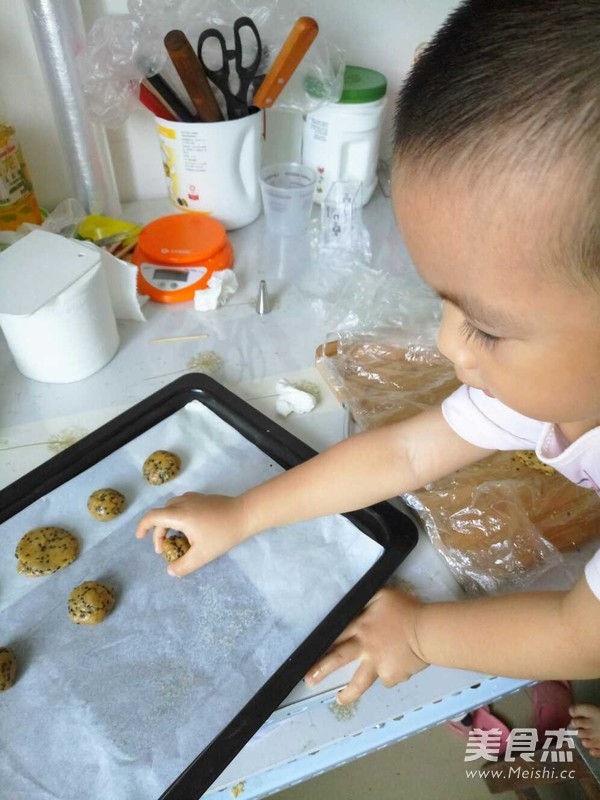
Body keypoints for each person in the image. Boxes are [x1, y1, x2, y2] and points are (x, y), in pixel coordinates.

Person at [137, 0, 600, 757]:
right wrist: (246, 513)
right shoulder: (550, 381)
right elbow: (405, 455)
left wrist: (418, 631)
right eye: (442, 303)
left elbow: (580, 637)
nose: (451, 345)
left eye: (484, 324)